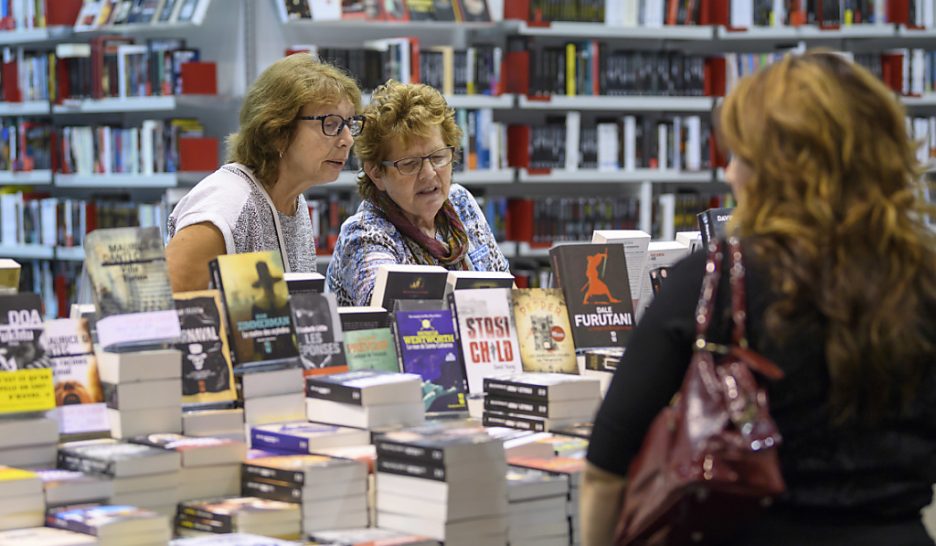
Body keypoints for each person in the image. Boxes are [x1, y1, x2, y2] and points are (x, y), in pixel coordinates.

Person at [582, 51, 936, 545]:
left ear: (780, 168)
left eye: (742, 156)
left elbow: (606, 466)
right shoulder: (922, 277)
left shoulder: (716, 279)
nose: (730, 174)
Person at [166, 54, 363, 292]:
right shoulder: (226, 203)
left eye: (350, 124)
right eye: (331, 124)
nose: (348, 140)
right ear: (277, 131)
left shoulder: (295, 203)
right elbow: (166, 304)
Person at [326, 80, 509, 307]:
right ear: (376, 173)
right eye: (410, 164)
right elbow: (395, 315)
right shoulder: (363, 236)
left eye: (438, 157)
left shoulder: (461, 202)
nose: (429, 173)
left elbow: (508, 295)